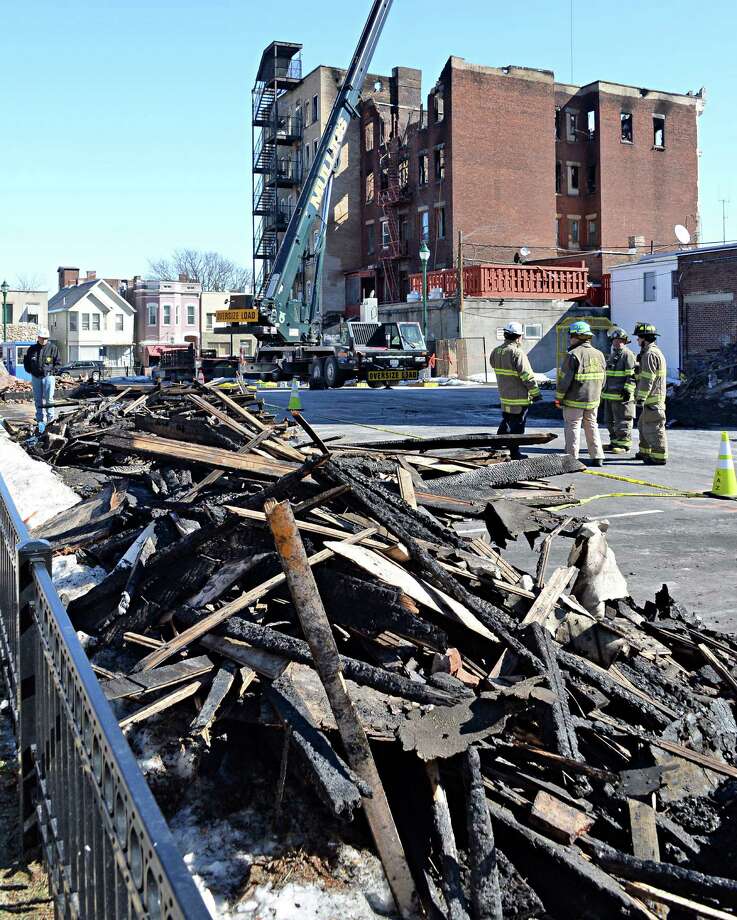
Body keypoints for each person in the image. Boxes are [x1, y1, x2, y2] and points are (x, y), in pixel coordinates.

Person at [555, 320, 606, 465]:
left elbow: (564, 380)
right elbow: (603, 379)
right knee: (592, 425)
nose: (570, 338)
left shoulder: (573, 354)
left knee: (573, 426)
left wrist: (558, 398)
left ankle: (571, 459)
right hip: (593, 400)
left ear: (577, 336)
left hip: (574, 400)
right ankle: (597, 456)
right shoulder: (599, 354)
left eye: (571, 335)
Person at [490, 321, 542, 460]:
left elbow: (494, 366)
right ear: (518, 337)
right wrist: (536, 393)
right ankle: (515, 453)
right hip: (519, 398)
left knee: (506, 420)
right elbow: (527, 375)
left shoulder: (496, 351)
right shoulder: (517, 353)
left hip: (504, 395)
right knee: (517, 426)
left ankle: (496, 446)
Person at [633, 322, 668, 465]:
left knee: (654, 428)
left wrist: (640, 397)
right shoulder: (650, 353)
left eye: (638, 338)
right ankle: (645, 452)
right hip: (651, 399)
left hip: (653, 401)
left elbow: (648, 378)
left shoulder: (649, 354)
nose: (637, 341)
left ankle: (659, 457)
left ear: (644, 339)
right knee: (643, 426)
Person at [602, 327, 637, 454]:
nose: (617, 342)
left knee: (623, 421)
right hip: (610, 396)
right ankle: (614, 442)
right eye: (615, 340)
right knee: (609, 421)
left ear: (625, 341)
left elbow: (632, 375)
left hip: (622, 397)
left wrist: (628, 391)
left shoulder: (628, 355)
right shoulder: (613, 355)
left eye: (620, 340)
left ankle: (624, 445)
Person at [23, 327, 60, 432]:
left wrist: (52, 372)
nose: (44, 340)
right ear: (38, 337)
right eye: (42, 338)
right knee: (38, 399)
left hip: (48, 377)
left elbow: (58, 363)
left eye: (46, 338)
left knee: (49, 399)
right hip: (36, 377)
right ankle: (40, 421)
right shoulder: (32, 349)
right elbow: (27, 362)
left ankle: (50, 420)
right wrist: (30, 371)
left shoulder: (53, 348)